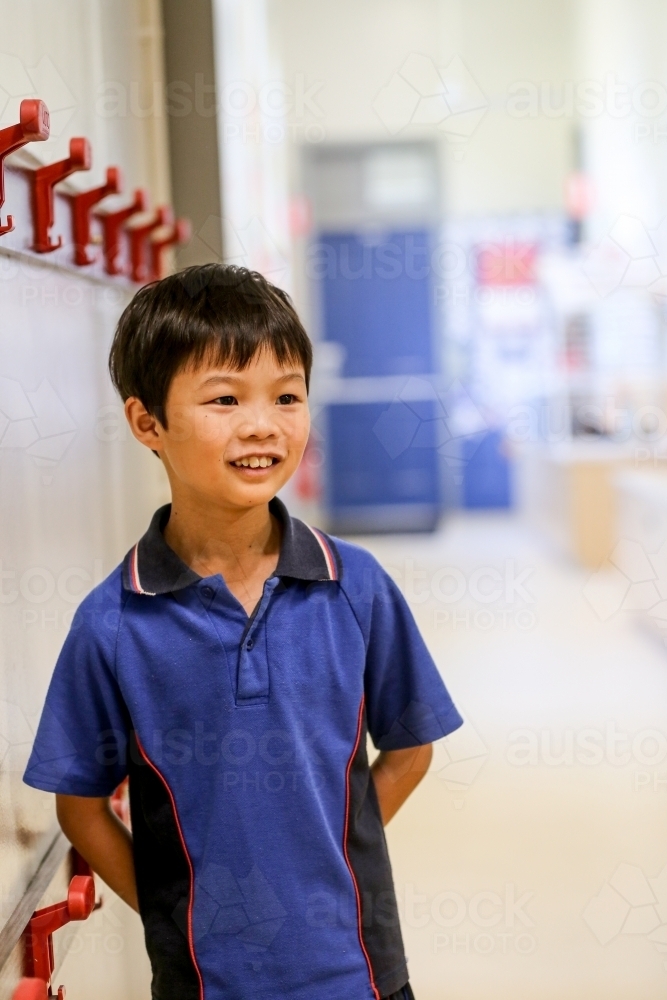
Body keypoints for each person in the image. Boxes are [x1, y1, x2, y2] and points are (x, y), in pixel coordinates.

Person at [23, 264, 463, 1000]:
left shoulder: (353, 586)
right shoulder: (113, 622)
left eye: (286, 396)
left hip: (359, 974)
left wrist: (319, 860)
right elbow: (81, 806)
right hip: (203, 983)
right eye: (225, 399)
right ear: (147, 423)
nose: (263, 424)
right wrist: (176, 913)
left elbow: (409, 747)